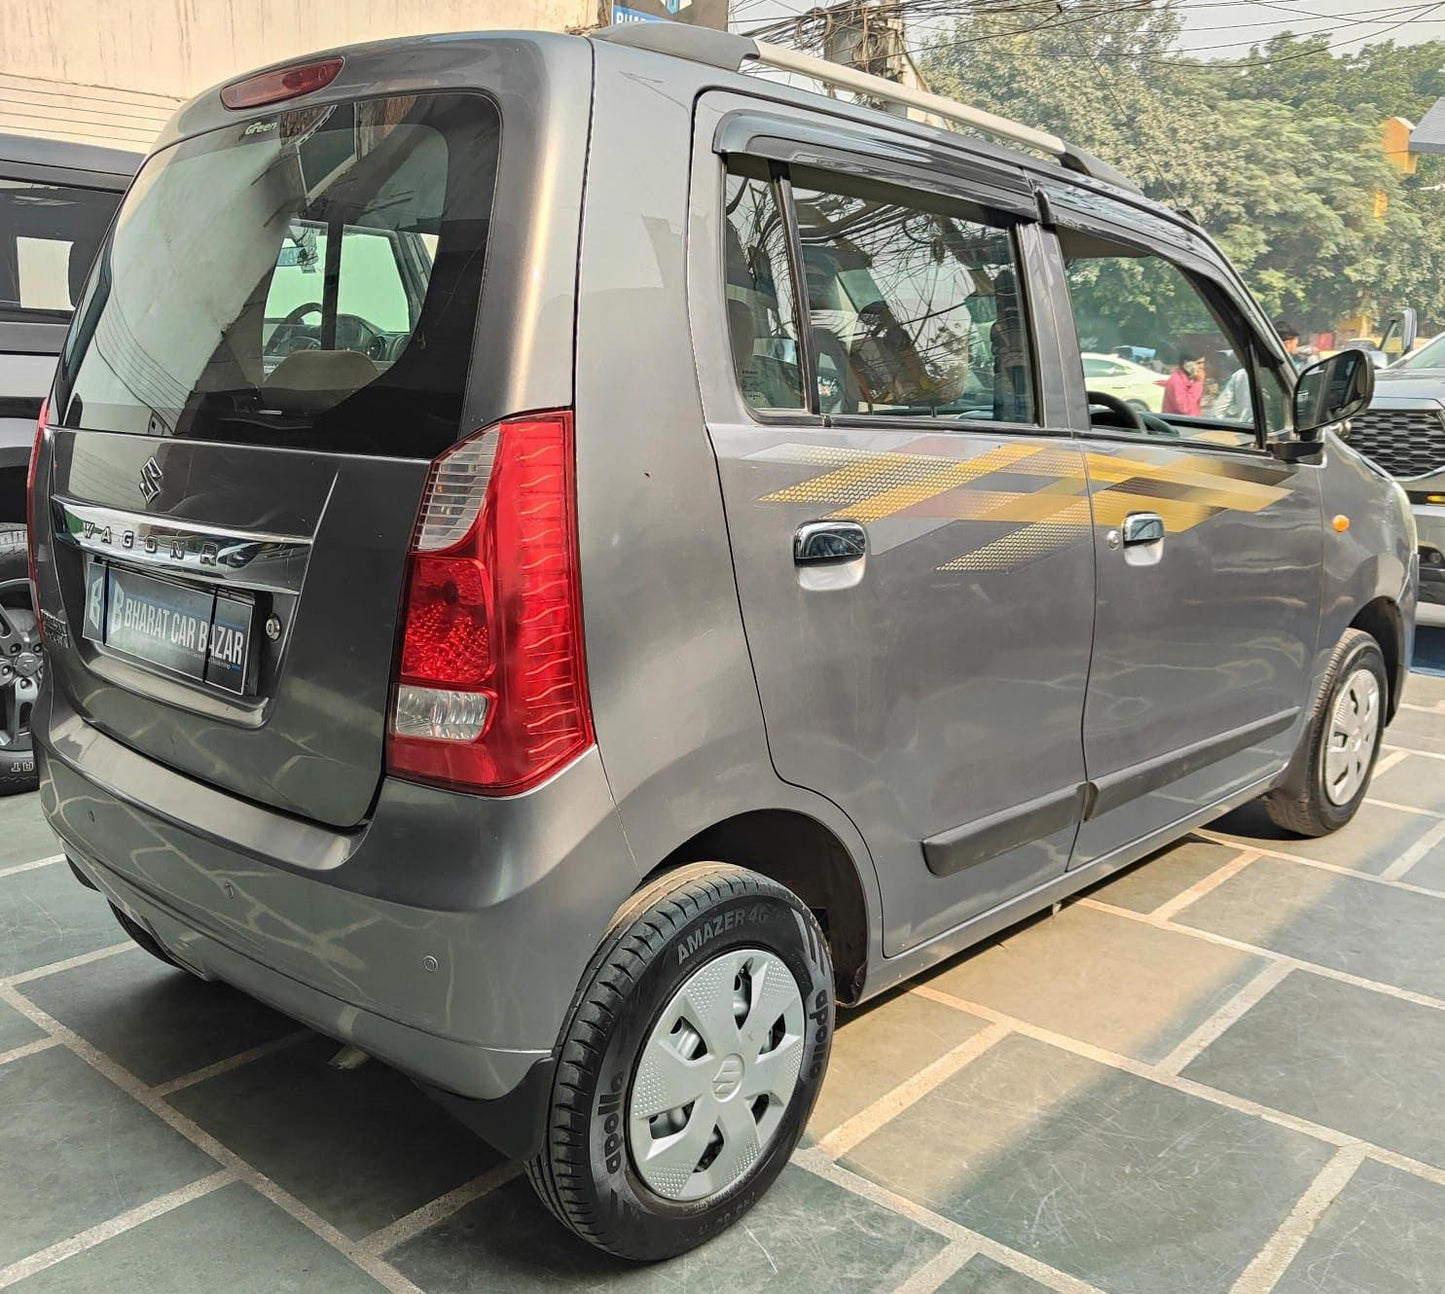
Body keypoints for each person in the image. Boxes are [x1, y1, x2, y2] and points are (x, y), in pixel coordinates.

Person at [1210, 321, 1302, 421]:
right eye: (1295, 344)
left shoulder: (1240, 375)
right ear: (1287, 344)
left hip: (1247, 431)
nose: (1296, 349)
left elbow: (1217, 411)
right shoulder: (1283, 375)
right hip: (1272, 433)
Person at [1162, 350, 1205, 416]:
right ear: (1186, 363)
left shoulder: (1190, 378)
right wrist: (1198, 383)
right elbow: (1185, 408)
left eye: (1203, 363)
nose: (1202, 366)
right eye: (1198, 363)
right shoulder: (1176, 380)